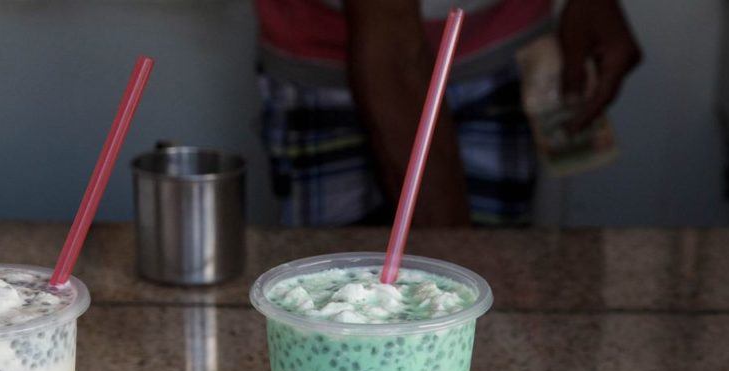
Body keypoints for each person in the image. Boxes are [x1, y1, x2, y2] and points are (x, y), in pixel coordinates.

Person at [255, 0, 641, 227]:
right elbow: (392, 54)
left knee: (498, 275)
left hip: (501, 38)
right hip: (329, 54)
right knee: (338, 300)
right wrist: (457, 266)